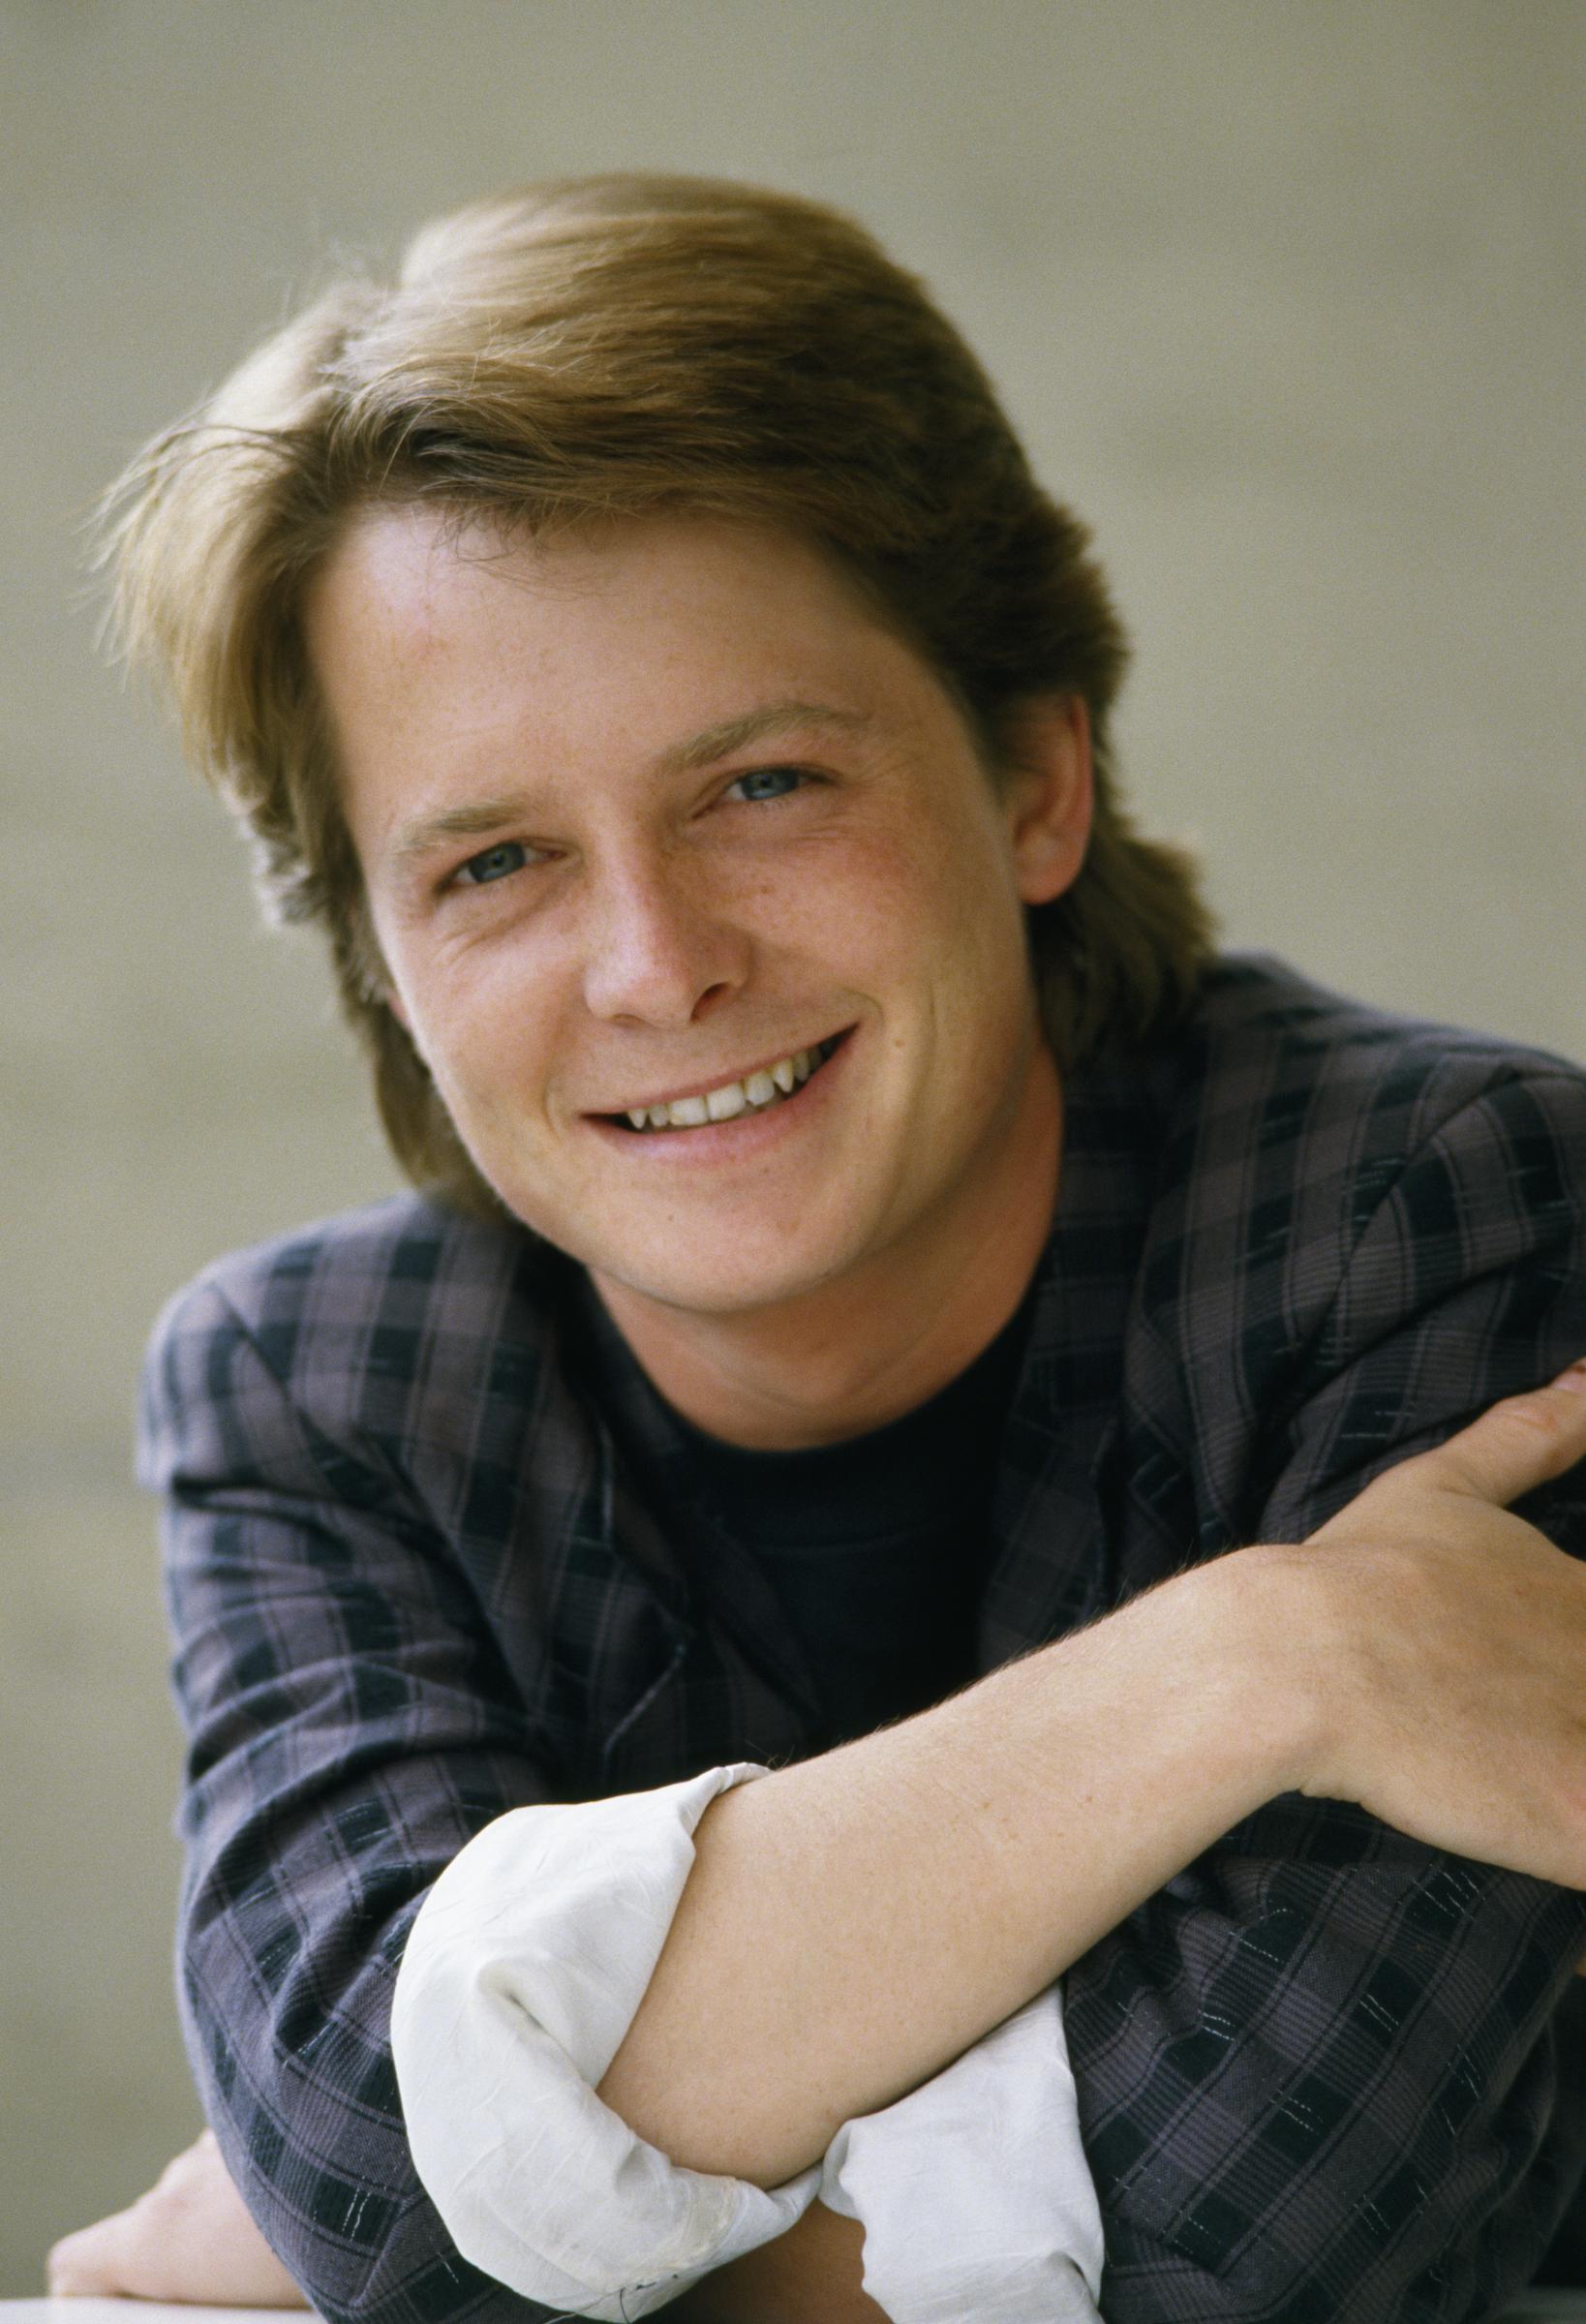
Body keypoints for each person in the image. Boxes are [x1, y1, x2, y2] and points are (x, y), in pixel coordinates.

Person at [47, 174, 1586, 2322]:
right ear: (381, 962)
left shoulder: (1459, 1219)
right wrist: (1266, 1661)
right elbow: (369, 2170)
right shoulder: (318, 1391)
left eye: (763, 785)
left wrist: (499, 2218)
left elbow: (1283, 2223)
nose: (659, 965)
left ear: (1037, 777)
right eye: (493, 860)